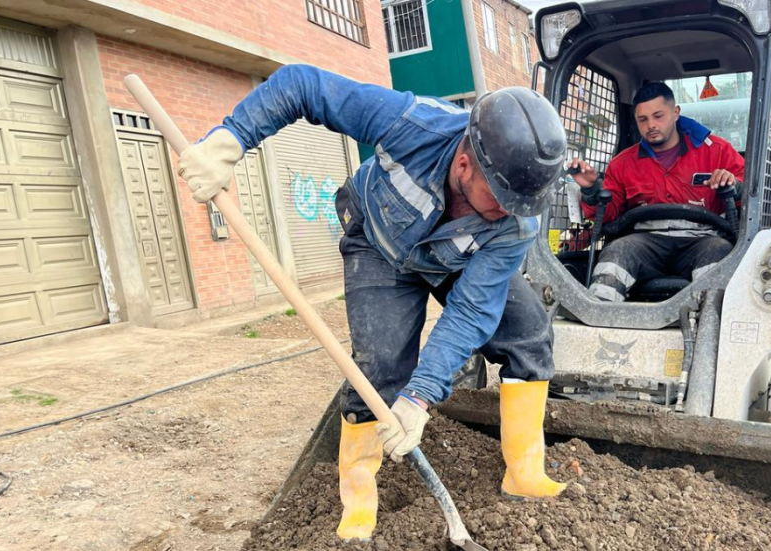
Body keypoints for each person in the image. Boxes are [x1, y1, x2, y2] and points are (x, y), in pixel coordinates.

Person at [178, 65, 567, 540]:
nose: (510, 210)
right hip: (379, 246)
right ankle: (359, 499)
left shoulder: (517, 221)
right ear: (465, 164)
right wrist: (230, 141)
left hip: (455, 260)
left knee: (528, 332)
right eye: (502, 197)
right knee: (379, 367)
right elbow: (303, 86)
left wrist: (420, 397)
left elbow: (470, 311)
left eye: (521, 202)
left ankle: (524, 473)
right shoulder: (413, 124)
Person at [569, 81, 745, 302]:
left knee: (719, 251)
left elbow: (749, 192)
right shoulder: (622, 163)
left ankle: (710, 317)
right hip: (646, 241)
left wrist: (734, 184)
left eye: (658, 116)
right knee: (617, 251)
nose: (651, 125)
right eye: (643, 119)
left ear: (675, 113)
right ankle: (599, 315)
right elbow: (607, 215)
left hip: (702, 239)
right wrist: (591, 189)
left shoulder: (717, 151)